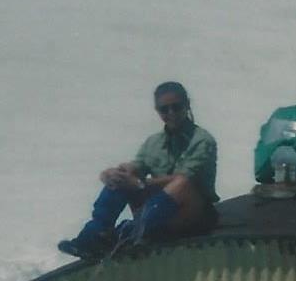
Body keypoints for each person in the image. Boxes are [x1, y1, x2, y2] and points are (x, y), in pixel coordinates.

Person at [57, 82, 219, 258]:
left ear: (187, 105)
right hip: (157, 213)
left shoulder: (202, 140)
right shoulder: (154, 142)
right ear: (158, 111)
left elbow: (186, 178)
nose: (171, 113)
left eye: (176, 107)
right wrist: (115, 174)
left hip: (194, 213)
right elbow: (137, 166)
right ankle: (96, 233)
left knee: (181, 184)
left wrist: (141, 184)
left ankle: (135, 234)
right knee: (121, 178)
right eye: (165, 109)